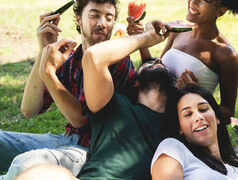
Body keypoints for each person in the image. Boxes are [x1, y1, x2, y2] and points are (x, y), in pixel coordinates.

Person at [0, 0, 134, 179]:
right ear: (78, 19)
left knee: (25, 165)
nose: (102, 23)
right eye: (94, 15)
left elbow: (80, 119)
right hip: (66, 140)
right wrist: (44, 50)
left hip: (93, 151)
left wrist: (50, 75)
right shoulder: (69, 60)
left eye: (109, 17)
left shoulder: (118, 61)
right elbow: (29, 109)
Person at [15, 20, 175, 180]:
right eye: (150, 64)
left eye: (158, 63)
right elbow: (94, 57)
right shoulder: (115, 106)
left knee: (26, 166)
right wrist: (146, 38)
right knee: (29, 170)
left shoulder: (177, 120)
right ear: (136, 82)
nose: (157, 61)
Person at [127, 0, 238, 124]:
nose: (193, 2)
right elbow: (156, 69)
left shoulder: (225, 54)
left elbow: (228, 115)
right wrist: (140, 39)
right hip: (150, 116)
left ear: (221, 11)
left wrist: (197, 93)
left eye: (204, 0)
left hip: (184, 128)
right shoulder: (179, 30)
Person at [151, 84, 238, 180]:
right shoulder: (173, 148)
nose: (198, 117)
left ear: (217, 117)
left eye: (203, 109)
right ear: (180, 128)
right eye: (188, 114)